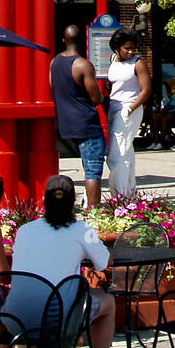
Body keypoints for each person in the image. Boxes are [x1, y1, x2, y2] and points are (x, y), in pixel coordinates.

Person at [3, 174, 122, 348]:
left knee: (32, 298)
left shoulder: (25, 230)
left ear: (44, 201)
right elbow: (105, 263)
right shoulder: (82, 230)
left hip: (15, 319)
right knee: (107, 302)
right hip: (57, 319)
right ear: (72, 203)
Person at [49, 24, 107, 209]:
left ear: (63, 40)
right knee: (93, 170)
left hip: (66, 123)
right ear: (82, 42)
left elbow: (53, 87)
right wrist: (104, 95)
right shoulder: (82, 64)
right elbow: (95, 98)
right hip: (86, 124)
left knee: (89, 167)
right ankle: (94, 211)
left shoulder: (54, 62)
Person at [106, 28, 152, 197]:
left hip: (129, 109)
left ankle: (120, 195)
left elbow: (146, 90)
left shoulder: (138, 63)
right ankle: (129, 193)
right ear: (117, 47)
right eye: (127, 48)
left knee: (117, 153)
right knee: (126, 152)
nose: (130, 52)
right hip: (114, 107)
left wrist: (130, 108)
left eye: (133, 48)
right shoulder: (113, 59)